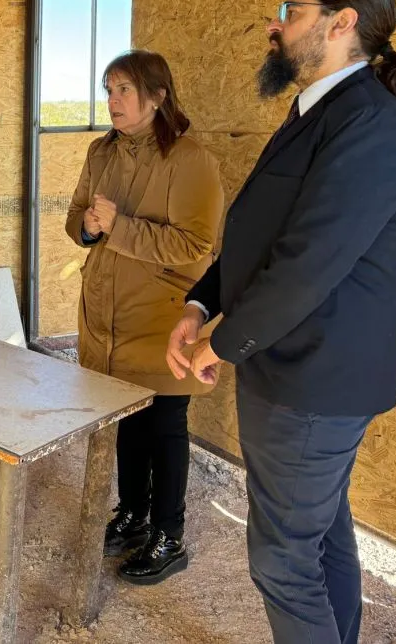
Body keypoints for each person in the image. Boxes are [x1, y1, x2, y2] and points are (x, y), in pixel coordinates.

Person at [168, 0, 396, 644]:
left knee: (284, 562)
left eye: (291, 10)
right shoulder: (318, 111)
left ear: (342, 23)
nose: (275, 24)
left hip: (315, 379)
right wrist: (200, 305)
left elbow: (306, 264)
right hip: (291, 368)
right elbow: (262, 236)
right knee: (318, 537)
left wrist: (222, 343)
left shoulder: (369, 123)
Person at [66, 50, 223, 584]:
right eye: (108, 90)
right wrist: (87, 227)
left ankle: (168, 535)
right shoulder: (101, 151)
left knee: (164, 424)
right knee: (126, 420)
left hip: (163, 318)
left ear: (157, 96)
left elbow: (196, 243)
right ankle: (133, 514)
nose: (112, 101)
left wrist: (118, 228)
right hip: (107, 315)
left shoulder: (190, 158)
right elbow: (77, 216)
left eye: (124, 90)